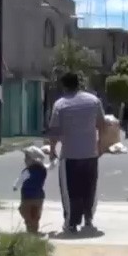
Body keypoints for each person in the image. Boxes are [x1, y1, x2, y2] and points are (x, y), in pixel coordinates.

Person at [47, 72, 105, 234]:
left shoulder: (60, 104)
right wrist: (100, 146)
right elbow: (102, 125)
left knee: (70, 191)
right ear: (78, 84)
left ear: (64, 86)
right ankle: (88, 218)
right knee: (89, 187)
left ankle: (71, 223)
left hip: (70, 155)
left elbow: (54, 132)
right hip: (91, 154)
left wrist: (52, 151)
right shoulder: (94, 101)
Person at [12, 146, 48, 234]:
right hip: (39, 197)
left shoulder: (27, 171)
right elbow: (50, 166)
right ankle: (34, 227)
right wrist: (54, 160)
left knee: (24, 211)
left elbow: (20, 179)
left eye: (27, 157)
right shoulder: (43, 169)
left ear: (33, 160)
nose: (24, 160)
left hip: (27, 197)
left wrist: (15, 186)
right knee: (36, 214)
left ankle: (30, 226)